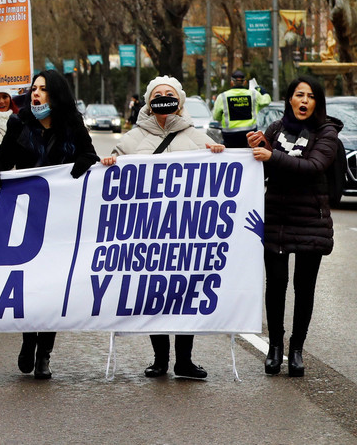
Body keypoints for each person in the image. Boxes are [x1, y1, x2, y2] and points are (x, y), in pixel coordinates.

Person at [100, 76, 225, 380]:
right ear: (149, 101)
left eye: (170, 94)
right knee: (154, 292)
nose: (165, 98)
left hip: (187, 230)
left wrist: (220, 155)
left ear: (179, 101)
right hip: (148, 230)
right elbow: (113, 171)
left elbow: (217, 174)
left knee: (184, 294)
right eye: (159, 94)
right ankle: (160, 359)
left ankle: (184, 361)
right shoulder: (133, 139)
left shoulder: (197, 136)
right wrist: (109, 164)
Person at [0, 70, 97, 380]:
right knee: (31, 285)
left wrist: (85, 161)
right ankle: (27, 341)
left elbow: (90, 156)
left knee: (53, 288)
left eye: (43, 89)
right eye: (34, 88)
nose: (36, 94)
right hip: (28, 219)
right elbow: (5, 159)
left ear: (55, 94)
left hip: (61, 220)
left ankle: (45, 353)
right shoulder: (19, 123)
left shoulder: (72, 124)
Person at [248, 76, 341, 378]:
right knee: (275, 285)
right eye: (299, 95)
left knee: (304, 287)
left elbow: (313, 167)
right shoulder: (275, 130)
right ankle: (275, 348)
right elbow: (264, 169)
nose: (304, 101)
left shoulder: (327, 133)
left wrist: (272, 154)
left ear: (318, 102)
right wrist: (258, 147)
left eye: (310, 96)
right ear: (289, 99)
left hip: (310, 220)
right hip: (276, 217)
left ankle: (296, 349)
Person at [213, 70, 272, 147]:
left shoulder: (223, 97)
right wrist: (264, 92)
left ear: (231, 82)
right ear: (244, 82)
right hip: (250, 136)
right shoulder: (254, 94)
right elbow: (266, 101)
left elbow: (216, 117)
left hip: (230, 137)